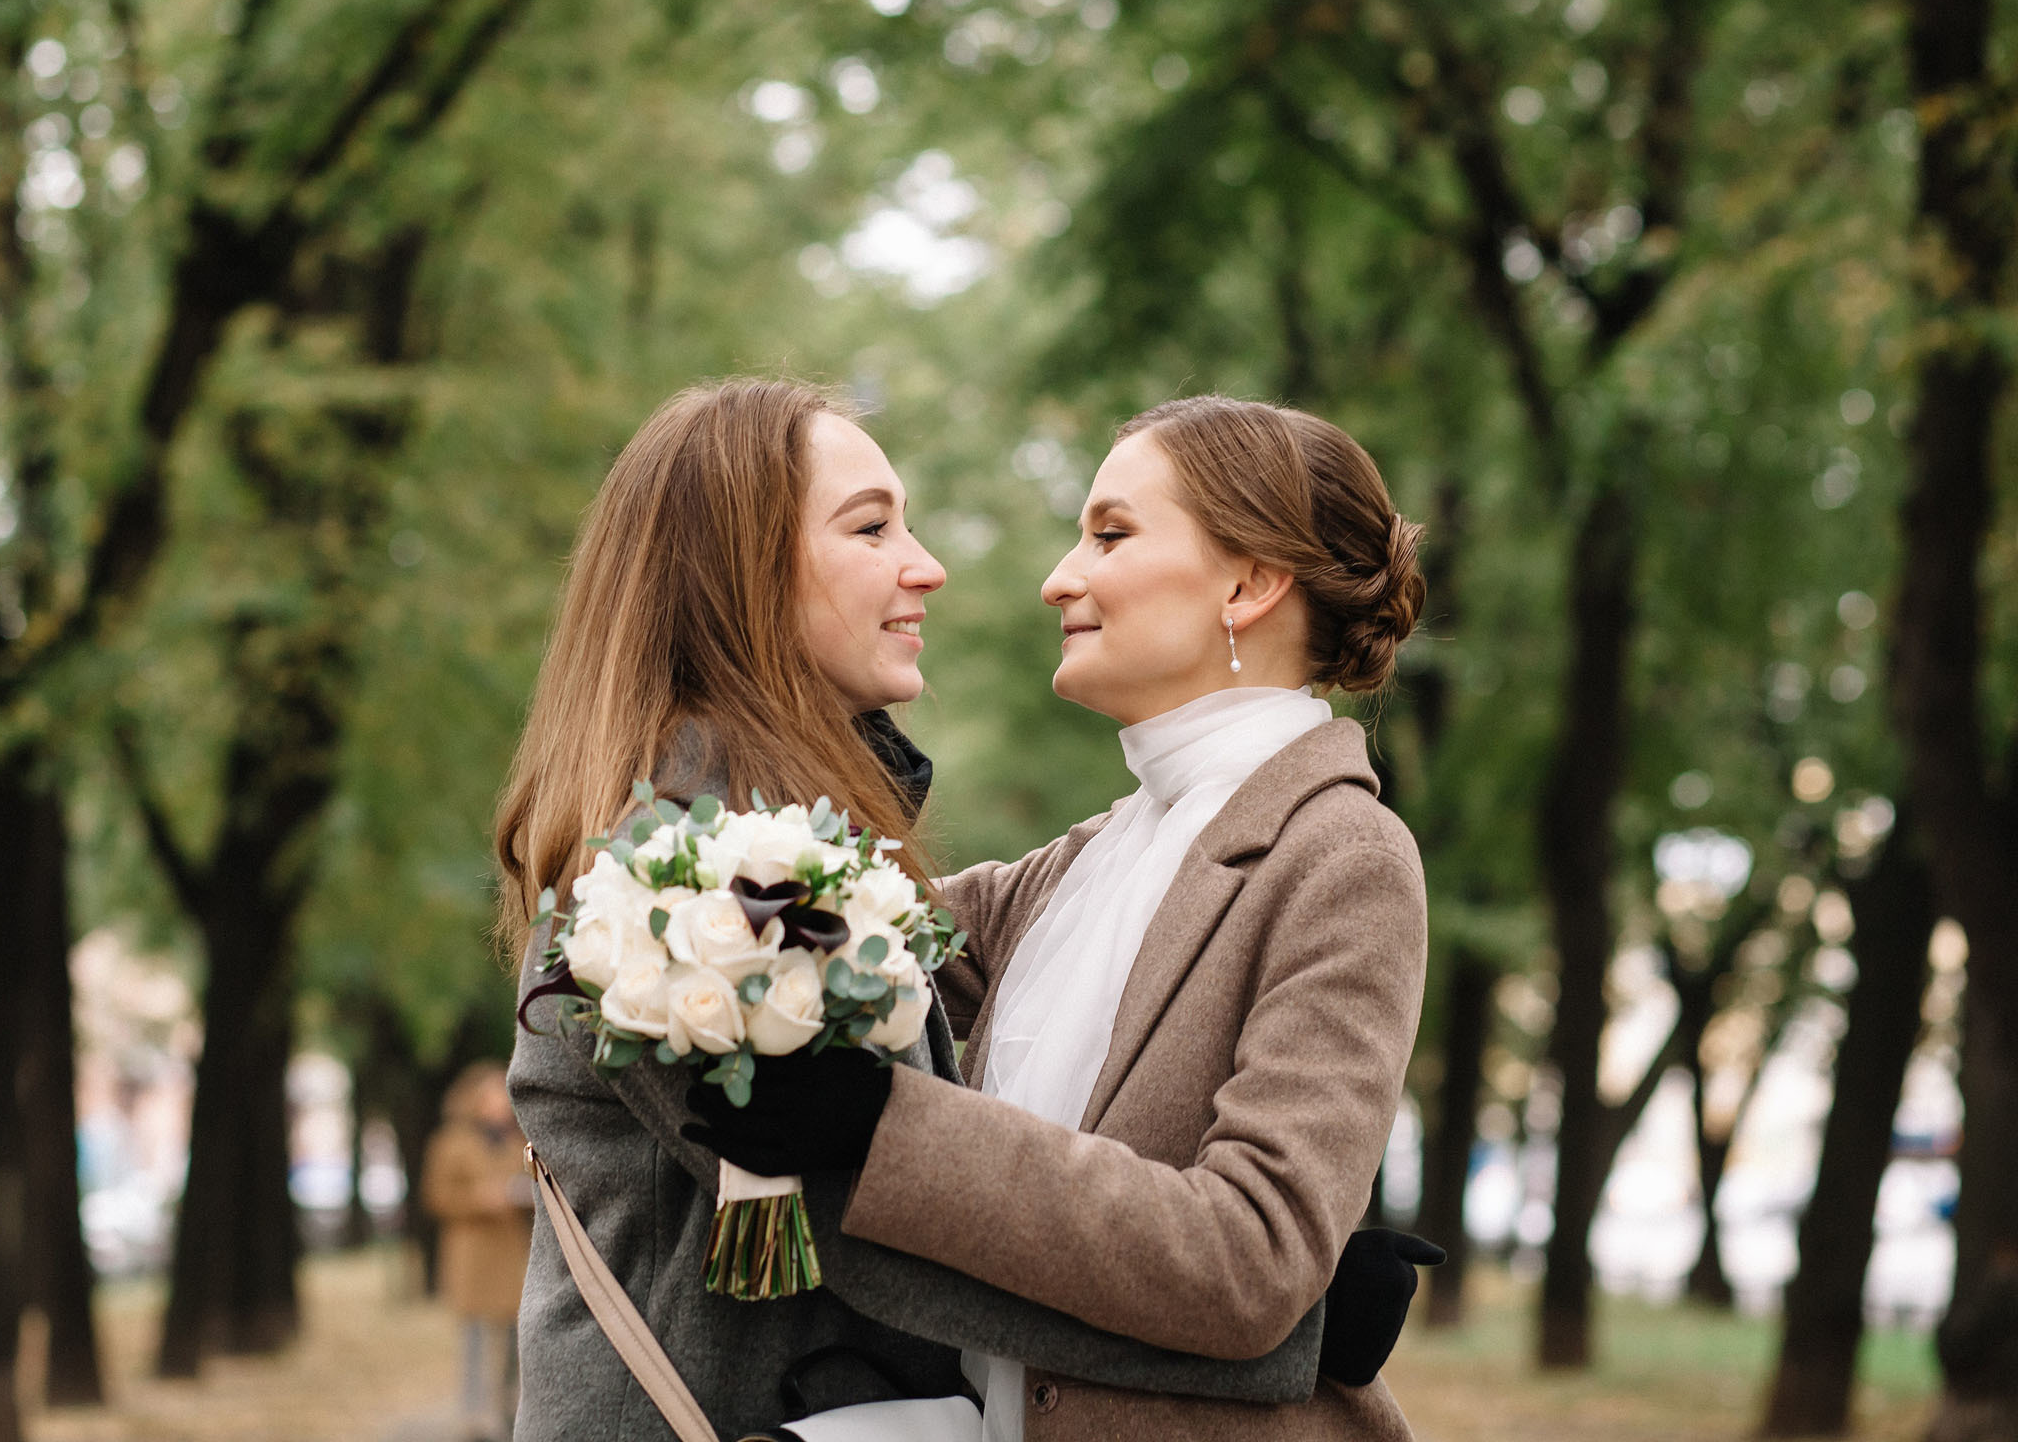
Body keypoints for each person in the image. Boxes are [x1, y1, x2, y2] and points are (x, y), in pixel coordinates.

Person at [497, 380, 1414, 1441]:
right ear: (738, 568)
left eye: (1110, 534)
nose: (1044, 577)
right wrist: (1296, 1330)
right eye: (871, 527)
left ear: (1250, 584)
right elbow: (862, 1216)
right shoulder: (681, 871)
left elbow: (1237, 1244)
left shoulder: (1312, 854)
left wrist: (1263, 1279)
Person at [421, 1062, 535, 1442]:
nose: (499, 1103)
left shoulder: (519, 1141)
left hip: (509, 1252)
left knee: (514, 1337)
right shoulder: (450, 1142)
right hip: (471, 1254)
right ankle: (473, 1415)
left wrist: (519, 1194)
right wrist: (477, 1198)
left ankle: (509, 1408)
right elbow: (436, 1196)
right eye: (491, 1096)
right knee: (474, 1339)